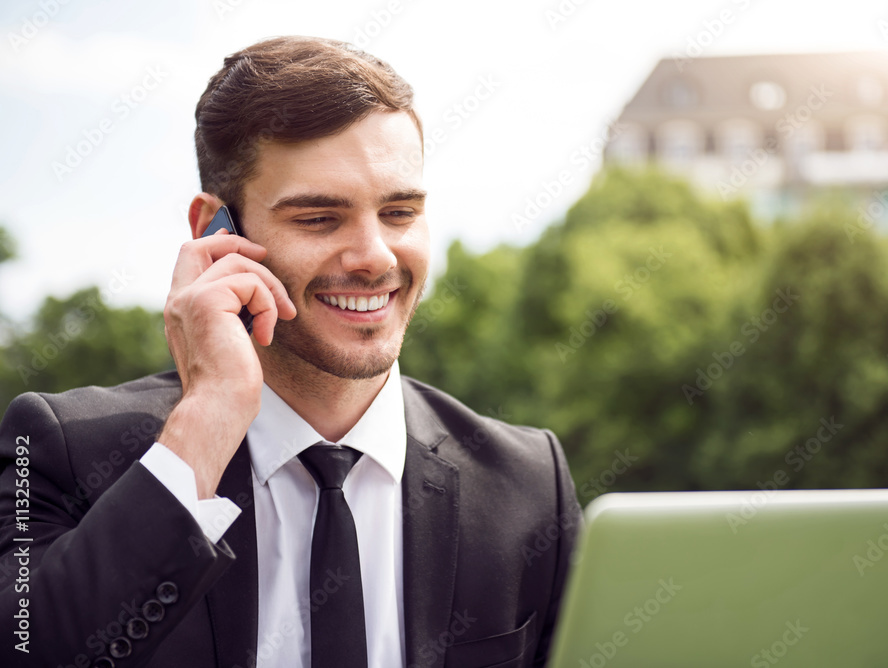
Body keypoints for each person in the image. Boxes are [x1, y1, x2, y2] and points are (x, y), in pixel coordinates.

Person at [0, 36, 581, 668]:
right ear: (215, 233)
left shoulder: (529, 483)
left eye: (399, 212)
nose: (376, 257)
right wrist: (209, 420)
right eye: (319, 219)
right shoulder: (56, 447)